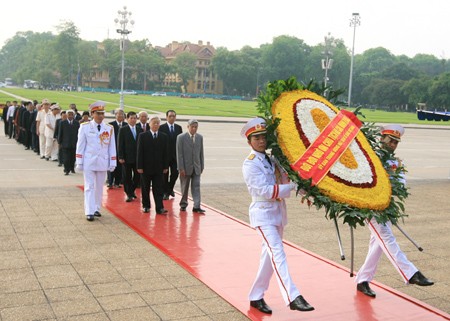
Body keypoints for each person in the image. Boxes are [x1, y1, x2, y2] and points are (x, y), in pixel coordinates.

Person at [241, 117, 314, 314]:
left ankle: (256, 296)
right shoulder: (250, 164)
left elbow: (288, 178)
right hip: (263, 213)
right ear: (249, 142)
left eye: (263, 137)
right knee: (277, 252)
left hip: (278, 213)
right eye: (256, 138)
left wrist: (308, 189)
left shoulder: (273, 160)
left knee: (268, 256)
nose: (261, 141)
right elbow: (265, 190)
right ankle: (292, 296)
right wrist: (291, 187)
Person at [355, 124, 434, 298]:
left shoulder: (395, 162)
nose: (393, 145)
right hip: (371, 208)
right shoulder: (370, 158)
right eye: (390, 141)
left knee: (378, 245)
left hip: (387, 207)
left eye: (396, 143)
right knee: (387, 239)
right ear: (382, 139)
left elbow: (401, 184)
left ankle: (362, 280)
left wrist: (391, 184)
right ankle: (411, 273)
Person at [75, 101, 116, 221]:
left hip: (103, 161)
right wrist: (79, 161)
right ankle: (89, 211)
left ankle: (96, 208)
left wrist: (113, 162)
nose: (101, 116)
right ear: (92, 114)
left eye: (102, 113)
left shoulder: (108, 128)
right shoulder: (85, 127)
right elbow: (80, 145)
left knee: (99, 187)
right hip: (89, 161)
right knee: (89, 186)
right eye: (98, 113)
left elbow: (111, 146)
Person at [137, 115, 169, 214]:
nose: (156, 125)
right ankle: (146, 205)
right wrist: (139, 166)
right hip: (146, 168)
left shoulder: (163, 136)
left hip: (159, 168)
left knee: (158, 188)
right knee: (145, 188)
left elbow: (166, 153)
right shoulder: (143, 136)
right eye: (154, 123)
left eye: (157, 123)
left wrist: (165, 166)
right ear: (149, 124)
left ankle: (159, 208)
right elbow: (139, 152)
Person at [176, 119, 205, 213]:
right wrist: (181, 168)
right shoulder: (181, 137)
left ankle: (197, 206)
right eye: (192, 127)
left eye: (196, 127)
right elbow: (179, 154)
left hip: (196, 167)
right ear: (188, 127)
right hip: (185, 168)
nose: (194, 129)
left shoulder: (200, 137)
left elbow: (201, 153)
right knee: (185, 187)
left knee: (196, 186)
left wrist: (201, 166)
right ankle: (183, 204)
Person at [118, 111, 142, 202]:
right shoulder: (123, 129)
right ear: (127, 119)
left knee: (137, 176)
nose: (133, 120)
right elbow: (120, 144)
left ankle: (132, 191)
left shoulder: (139, 129)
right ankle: (129, 194)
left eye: (135, 118)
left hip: (137, 158)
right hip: (127, 158)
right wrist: (120, 156)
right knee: (127, 177)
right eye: (131, 118)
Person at [159, 109, 182, 200]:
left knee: (175, 174)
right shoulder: (162, 128)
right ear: (166, 117)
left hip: (175, 156)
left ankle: (169, 188)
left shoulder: (178, 128)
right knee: (165, 175)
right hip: (165, 156)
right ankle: (166, 192)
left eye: (173, 116)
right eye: (170, 116)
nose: (172, 118)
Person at [107, 109, 127, 188]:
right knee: (111, 166)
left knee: (120, 167)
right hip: (112, 148)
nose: (120, 116)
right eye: (118, 115)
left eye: (121, 115)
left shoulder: (126, 125)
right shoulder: (110, 125)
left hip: (122, 150)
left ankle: (117, 182)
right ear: (115, 116)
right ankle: (110, 182)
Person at [58, 109, 80, 175]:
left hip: (74, 143)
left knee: (72, 158)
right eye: (69, 115)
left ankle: (72, 168)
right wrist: (59, 142)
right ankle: (66, 169)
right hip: (65, 143)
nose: (70, 116)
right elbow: (60, 133)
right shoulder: (63, 123)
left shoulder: (76, 123)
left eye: (71, 115)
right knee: (66, 158)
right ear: (66, 115)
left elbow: (78, 133)